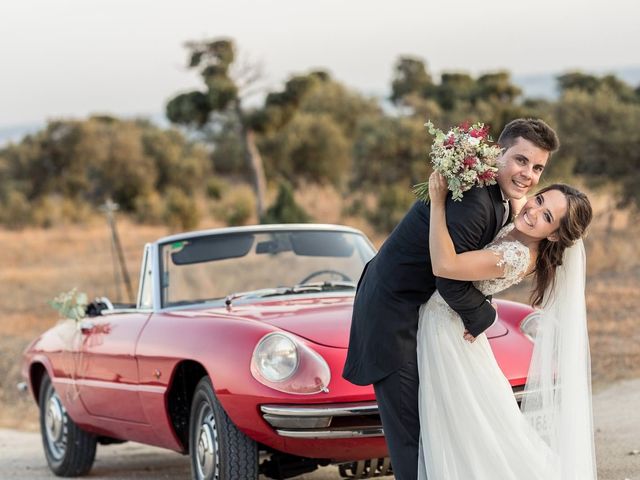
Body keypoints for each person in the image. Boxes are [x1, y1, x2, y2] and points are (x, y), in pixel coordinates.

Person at [343, 118, 560, 480]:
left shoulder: (502, 197)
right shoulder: (476, 200)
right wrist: (483, 318)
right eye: (521, 160)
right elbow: (448, 279)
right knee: (410, 435)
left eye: (537, 167)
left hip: (418, 313)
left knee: (433, 426)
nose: (527, 174)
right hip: (393, 314)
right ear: (498, 153)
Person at [418, 173, 595, 479]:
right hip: (453, 323)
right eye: (539, 200)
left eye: (547, 216)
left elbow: (445, 266)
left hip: (447, 332)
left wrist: (437, 203)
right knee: (475, 424)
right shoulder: (521, 219)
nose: (533, 211)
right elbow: (513, 186)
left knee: (458, 425)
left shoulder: (515, 256)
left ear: (553, 235)